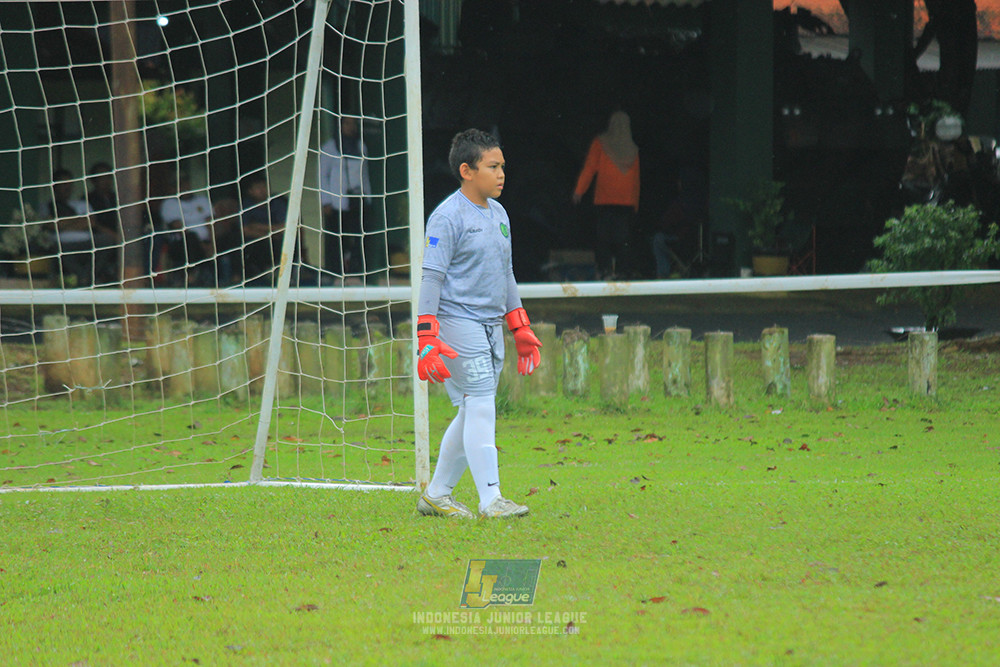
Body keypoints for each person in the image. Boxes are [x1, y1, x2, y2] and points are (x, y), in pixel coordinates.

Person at [415, 128, 542, 519]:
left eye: (502, 166)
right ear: (467, 171)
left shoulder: (500, 214)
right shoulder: (447, 217)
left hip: (490, 327)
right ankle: (492, 499)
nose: (502, 173)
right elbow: (432, 278)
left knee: (472, 410)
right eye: (493, 166)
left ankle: (436, 494)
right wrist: (426, 338)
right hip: (457, 324)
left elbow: (505, 274)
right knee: (483, 404)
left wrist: (519, 325)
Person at [572, 110, 640, 279]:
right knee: (623, 240)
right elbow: (636, 180)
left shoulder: (601, 143)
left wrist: (579, 191)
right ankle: (624, 273)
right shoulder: (632, 148)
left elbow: (589, 169)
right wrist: (635, 203)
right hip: (625, 202)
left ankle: (605, 271)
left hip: (605, 200)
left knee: (603, 239)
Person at [44, 168, 118, 286]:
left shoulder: (82, 203)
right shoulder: (47, 205)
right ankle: (84, 279)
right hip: (61, 243)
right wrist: (78, 221)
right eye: (63, 184)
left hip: (87, 241)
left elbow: (90, 222)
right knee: (59, 250)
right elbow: (51, 225)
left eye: (69, 184)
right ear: (54, 186)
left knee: (107, 241)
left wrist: (63, 224)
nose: (67, 188)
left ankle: (85, 278)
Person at [319, 116, 371, 279]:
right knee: (336, 240)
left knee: (357, 237)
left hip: (357, 199)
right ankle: (334, 274)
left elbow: (365, 174)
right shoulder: (329, 148)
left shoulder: (360, 146)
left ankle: (356, 273)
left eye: (354, 123)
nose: (351, 127)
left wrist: (368, 197)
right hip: (336, 201)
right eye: (347, 123)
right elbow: (322, 175)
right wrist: (325, 200)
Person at [157, 173, 214, 286]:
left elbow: (211, 223)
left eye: (185, 183)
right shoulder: (169, 204)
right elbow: (178, 227)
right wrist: (201, 244)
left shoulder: (202, 200)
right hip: (181, 242)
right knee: (191, 238)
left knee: (233, 234)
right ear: (173, 187)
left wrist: (212, 243)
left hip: (208, 241)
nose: (184, 187)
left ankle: (235, 277)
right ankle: (191, 277)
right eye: (179, 184)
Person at [240, 171, 291, 286]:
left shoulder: (278, 202)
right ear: (250, 191)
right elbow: (245, 230)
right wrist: (269, 233)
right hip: (257, 241)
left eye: (265, 186)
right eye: (258, 187)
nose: (263, 190)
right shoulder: (247, 204)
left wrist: (257, 226)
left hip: (277, 241)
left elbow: (285, 227)